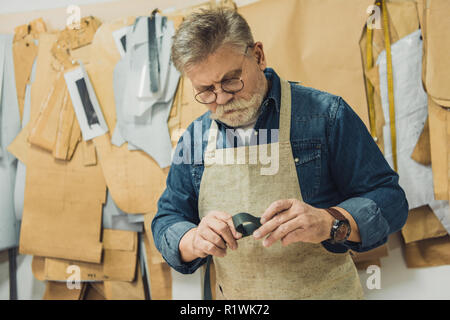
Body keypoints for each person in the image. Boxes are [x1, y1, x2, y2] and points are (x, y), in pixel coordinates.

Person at [151, 7, 408, 299]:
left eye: (231, 80)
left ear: (258, 56)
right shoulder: (194, 139)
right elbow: (167, 218)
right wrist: (193, 239)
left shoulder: (326, 116)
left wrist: (331, 222)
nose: (221, 98)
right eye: (206, 91)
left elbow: (392, 201)